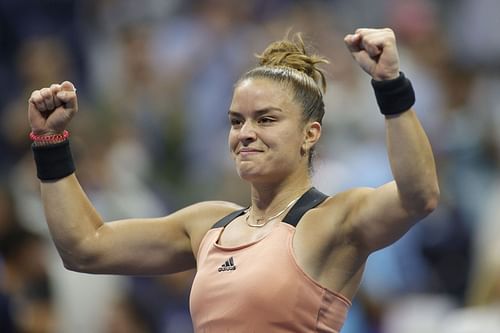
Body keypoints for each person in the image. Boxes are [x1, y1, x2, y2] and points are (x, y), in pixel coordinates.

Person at [27, 28, 439, 332]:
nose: (245, 133)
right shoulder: (208, 224)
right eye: (236, 121)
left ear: (310, 134)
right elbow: (84, 248)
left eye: (266, 120)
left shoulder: (333, 221)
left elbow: (418, 197)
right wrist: (50, 143)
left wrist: (390, 86)